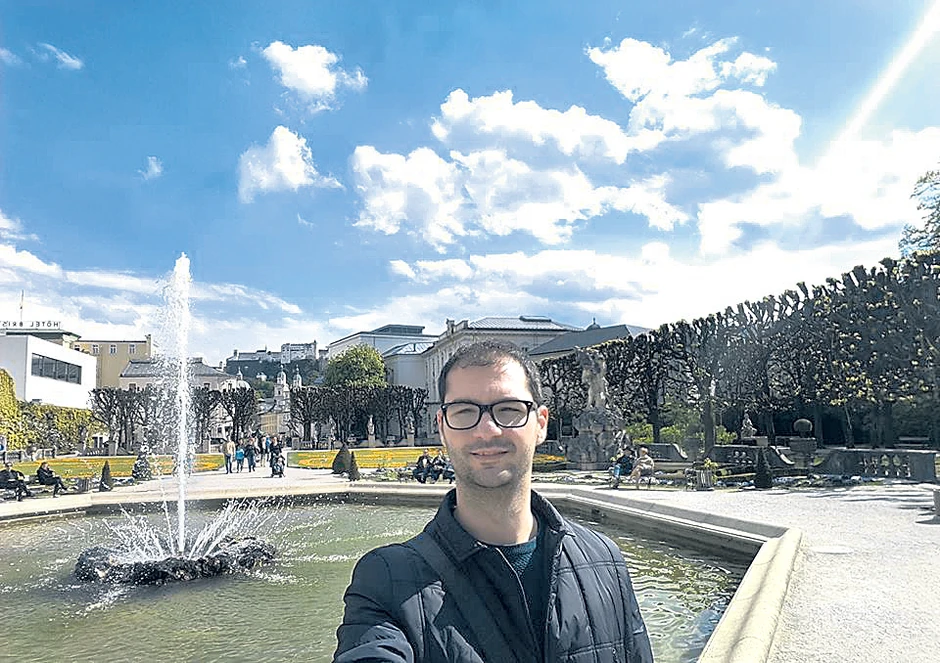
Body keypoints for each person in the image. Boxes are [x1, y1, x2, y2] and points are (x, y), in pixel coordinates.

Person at [334, 340, 653, 662]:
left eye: (509, 409)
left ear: (541, 423)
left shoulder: (606, 559)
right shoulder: (386, 580)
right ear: (442, 427)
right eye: (464, 412)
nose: (487, 430)